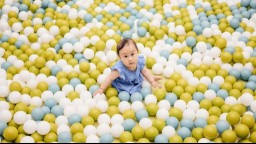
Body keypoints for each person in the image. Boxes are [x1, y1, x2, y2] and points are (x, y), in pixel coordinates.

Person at [93, 38, 162, 96]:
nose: (130, 59)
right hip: (124, 84)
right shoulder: (119, 70)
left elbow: (145, 71)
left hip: (135, 78)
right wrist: (101, 89)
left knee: (144, 76)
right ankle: (144, 80)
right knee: (133, 93)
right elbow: (109, 78)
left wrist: (152, 81)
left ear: (137, 52)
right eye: (125, 56)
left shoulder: (138, 61)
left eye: (132, 54)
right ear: (120, 57)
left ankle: (148, 78)